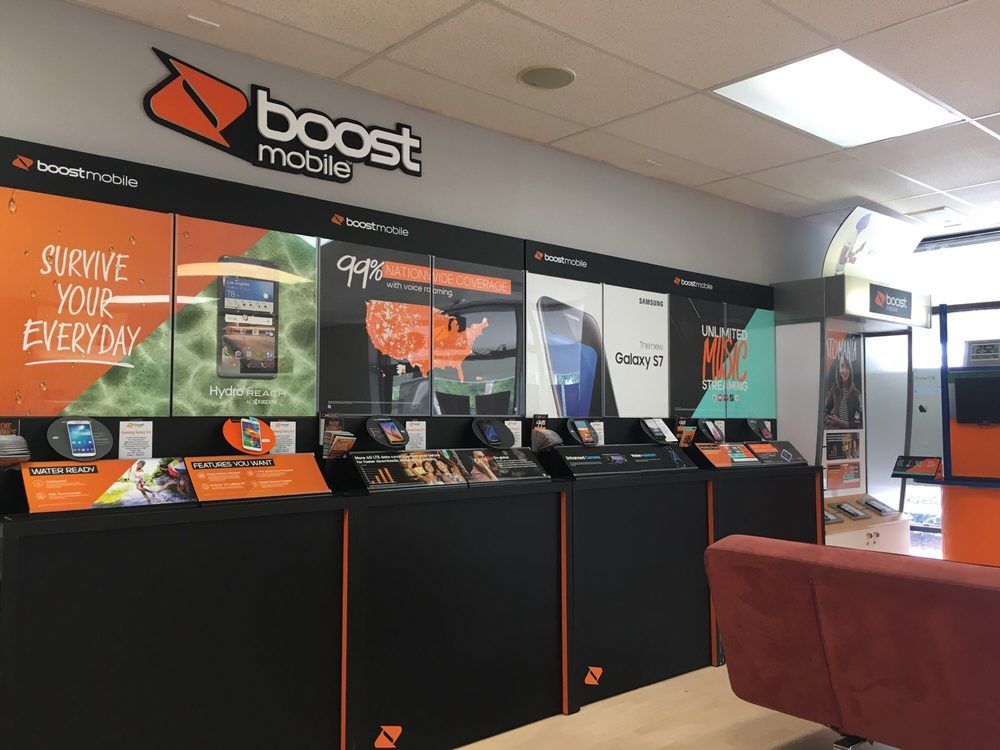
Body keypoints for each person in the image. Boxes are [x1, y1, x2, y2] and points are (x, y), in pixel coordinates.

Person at [824, 354, 863, 429]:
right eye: (842, 366)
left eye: (847, 367)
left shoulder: (856, 394)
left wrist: (839, 422)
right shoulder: (835, 388)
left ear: (850, 370)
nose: (844, 370)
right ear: (839, 369)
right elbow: (826, 409)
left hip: (850, 435)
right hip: (836, 433)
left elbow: (856, 423)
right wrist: (827, 419)